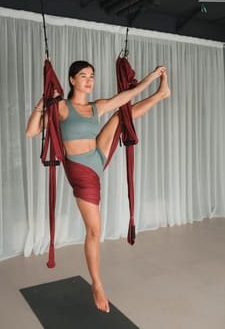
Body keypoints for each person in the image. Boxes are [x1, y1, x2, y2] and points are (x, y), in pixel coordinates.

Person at [26, 60, 170, 313]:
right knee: (94, 231)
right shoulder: (61, 107)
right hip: (81, 172)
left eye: (92, 76)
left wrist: (152, 79)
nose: (89, 80)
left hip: (97, 157)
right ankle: (97, 283)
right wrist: (43, 100)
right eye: (83, 76)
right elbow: (31, 131)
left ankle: (162, 94)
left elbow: (128, 95)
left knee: (119, 115)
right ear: (71, 80)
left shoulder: (96, 107)